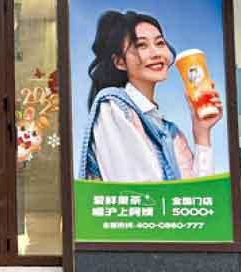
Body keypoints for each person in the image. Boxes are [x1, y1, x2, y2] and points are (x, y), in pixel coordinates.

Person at [77, 10, 222, 182]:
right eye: (141, 45)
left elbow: (200, 193)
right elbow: (140, 190)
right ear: (120, 62)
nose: (156, 53)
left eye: (160, 43)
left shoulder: (171, 132)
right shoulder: (113, 107)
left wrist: (202, 132)